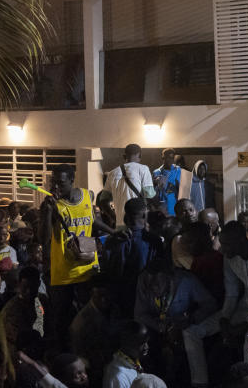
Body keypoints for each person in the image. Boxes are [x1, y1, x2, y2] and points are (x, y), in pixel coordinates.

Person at [183, 221, 248, 385]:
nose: (222, 249)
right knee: (191, 332)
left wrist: (246, 323)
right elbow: (232, 295)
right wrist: (225, 318)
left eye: (227, 244)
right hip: (244, 308)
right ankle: (200, 382)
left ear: (241, 240)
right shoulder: (229, 259)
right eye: (222, 244)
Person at [41, 164, 113, 352]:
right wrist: (48, 212)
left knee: (89, 315)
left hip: (86, 267)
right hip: (63, 272)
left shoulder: (86, 195)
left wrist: (112, 231)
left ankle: (88, 352)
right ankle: (65, 358)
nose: (55, 187)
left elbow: (92, 220)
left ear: (72, 180)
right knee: (61, 320)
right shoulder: (51, 204)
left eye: (61, 183)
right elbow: (44, 238)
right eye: (53, 182)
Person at [102, 197, 160, 315]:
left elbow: (110, 269)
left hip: (122, 295)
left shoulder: (113, 240)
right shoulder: (154, 241)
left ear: (126, 217)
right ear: (144, 215)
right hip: (147, 295)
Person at [106, 144, 156, 228]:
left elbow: (103, 200)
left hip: (119, 225)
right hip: (137, 223)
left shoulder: (112, 173)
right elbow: (149, 195)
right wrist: (159, 185)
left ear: (124, 156)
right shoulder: (143, 169)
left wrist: (115, 217)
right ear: (140, 155)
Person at [103, 320, 149, 388]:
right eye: (141, 343)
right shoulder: (118, 376)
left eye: (147, 341)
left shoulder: (134, 363)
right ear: (128, 344)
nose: (146, 347)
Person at [151, 148, 181, 217]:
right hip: (160, 205)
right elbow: (152, 192)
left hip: (173, 204)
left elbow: (182, 189)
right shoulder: (156, 172)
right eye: (167, 158)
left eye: (171, 158)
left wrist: (172, 186)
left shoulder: (178, 170)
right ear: (163, 157)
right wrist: (156, 184)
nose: (169, 160)